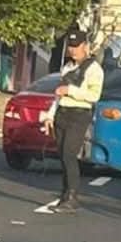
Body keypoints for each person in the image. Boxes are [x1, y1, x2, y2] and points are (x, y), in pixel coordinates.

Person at [43, 28, 104, 213]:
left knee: (70, 154)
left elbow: (94, 95)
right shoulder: (67, 67)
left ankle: (72, 197)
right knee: (62, 155)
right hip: (62, 112)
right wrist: (50, 115)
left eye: (76, 46)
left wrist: (71, 90)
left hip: (79, 114)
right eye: (70, 46)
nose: (73, 50)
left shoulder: (94, 69)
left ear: (85, 46)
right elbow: (58, 95)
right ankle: (64, 194)